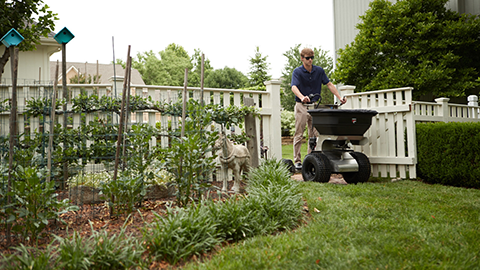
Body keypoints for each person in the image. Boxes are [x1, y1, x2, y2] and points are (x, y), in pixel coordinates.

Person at [291, 48, 346, 170]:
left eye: (312, 58)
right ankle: (298, 161)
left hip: (315, 106)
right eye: (307, 58)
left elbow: (329, 84)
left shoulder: (319, 71)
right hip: (301, 106)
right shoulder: (297, 72)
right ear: (302, 58)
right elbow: (294, 87)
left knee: (315, 134)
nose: (310, 60)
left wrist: (339, 97)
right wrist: (301, 96)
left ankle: (311, 159)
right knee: (299, 133)